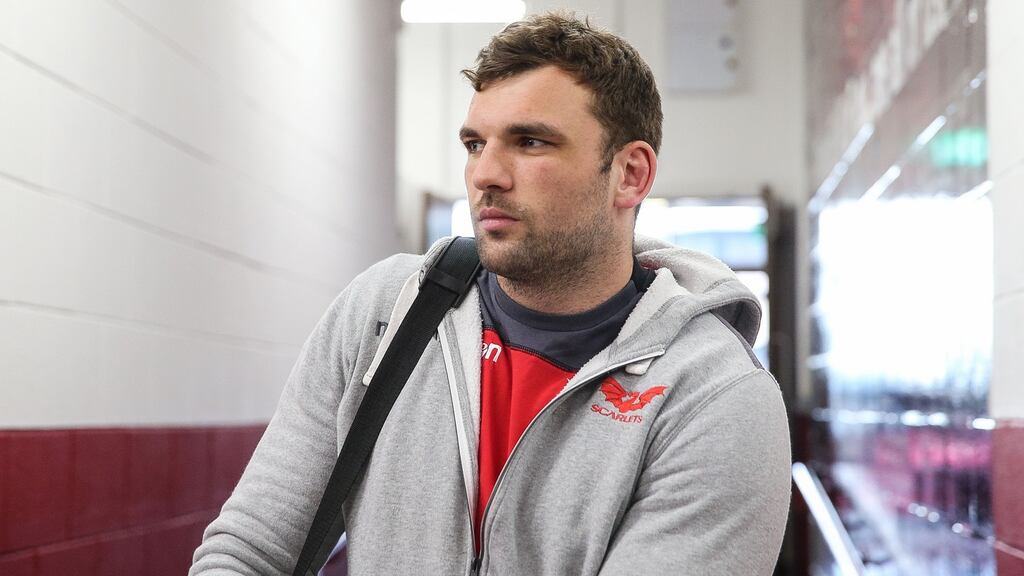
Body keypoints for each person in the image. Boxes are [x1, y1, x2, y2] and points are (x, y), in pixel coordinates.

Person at [190, 12, 790, 576]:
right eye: (476, 144)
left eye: (530, 142)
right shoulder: (386, 312)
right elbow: (249, 548)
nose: (486, 175)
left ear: (630, 174)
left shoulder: (714, 398)